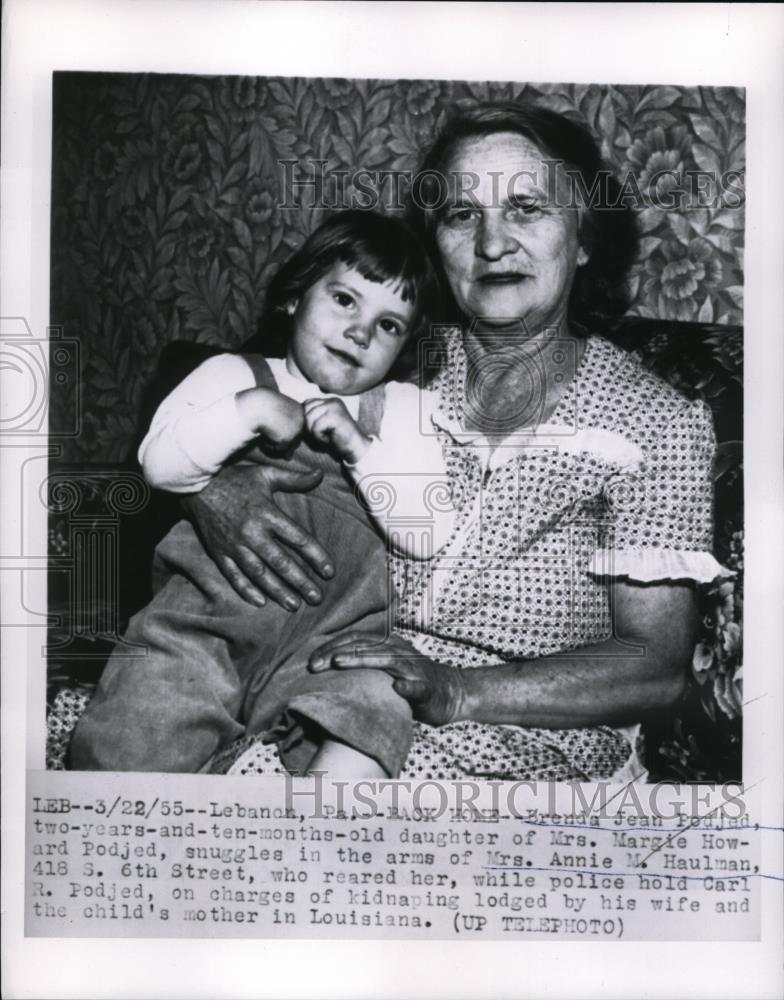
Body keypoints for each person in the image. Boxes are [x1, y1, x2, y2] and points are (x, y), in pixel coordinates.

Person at [106, 102, 733, 782]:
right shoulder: (389, 354)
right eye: (463, 215)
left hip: (514, 726)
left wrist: (458, 690)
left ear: (583, 238)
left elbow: (654, 667)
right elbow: (224, 409)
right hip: (309, 675)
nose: (493, 243)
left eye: (527, 208)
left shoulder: (657, 421)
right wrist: (211, 493)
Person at [69, 211, 456, 778]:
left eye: (390, 325)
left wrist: (360, 448)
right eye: (345, 300)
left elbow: (427, 535)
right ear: (294, 298)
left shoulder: (400, 409)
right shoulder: (232, 373)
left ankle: (321, 846)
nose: (361, 332)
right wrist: (249, 410)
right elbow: (160, 465)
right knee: (134, 732)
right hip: (200, 626)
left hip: (332, 647)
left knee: (374, 711)